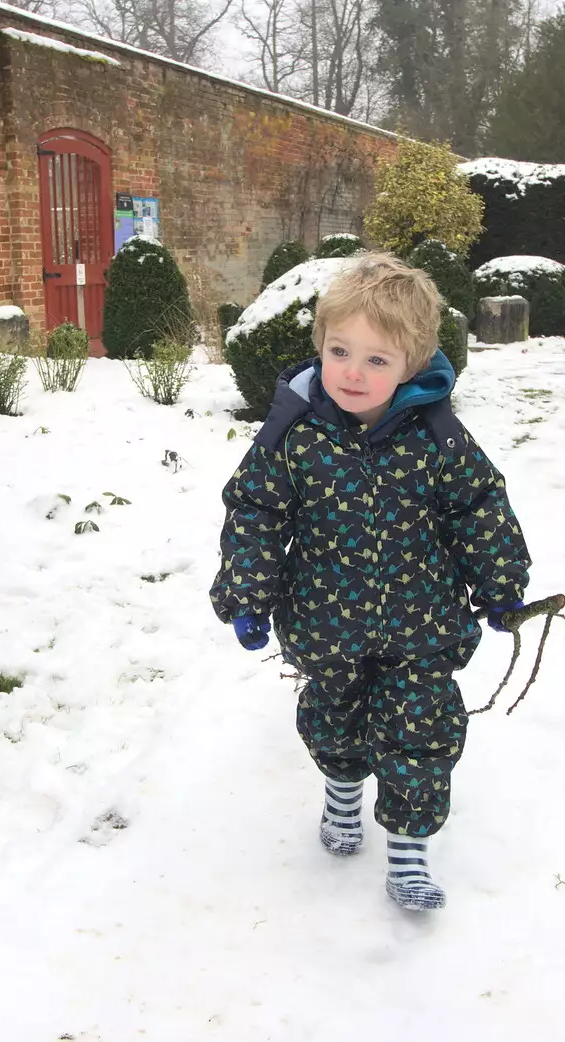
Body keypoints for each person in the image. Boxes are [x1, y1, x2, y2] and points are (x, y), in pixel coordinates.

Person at [209, 252, 532, 912]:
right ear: (320, 346)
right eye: (339, 351)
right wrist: (248, 595)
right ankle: (342, 795)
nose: (353, 372)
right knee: (335, 725)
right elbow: (257, 510)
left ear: (411, 366)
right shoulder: (294, 435)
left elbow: (479, 506)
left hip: (423, 626)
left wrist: (501, 586)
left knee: (423, 730)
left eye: (377, 360)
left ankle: (409, 854)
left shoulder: (438, 437)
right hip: (327, 626)